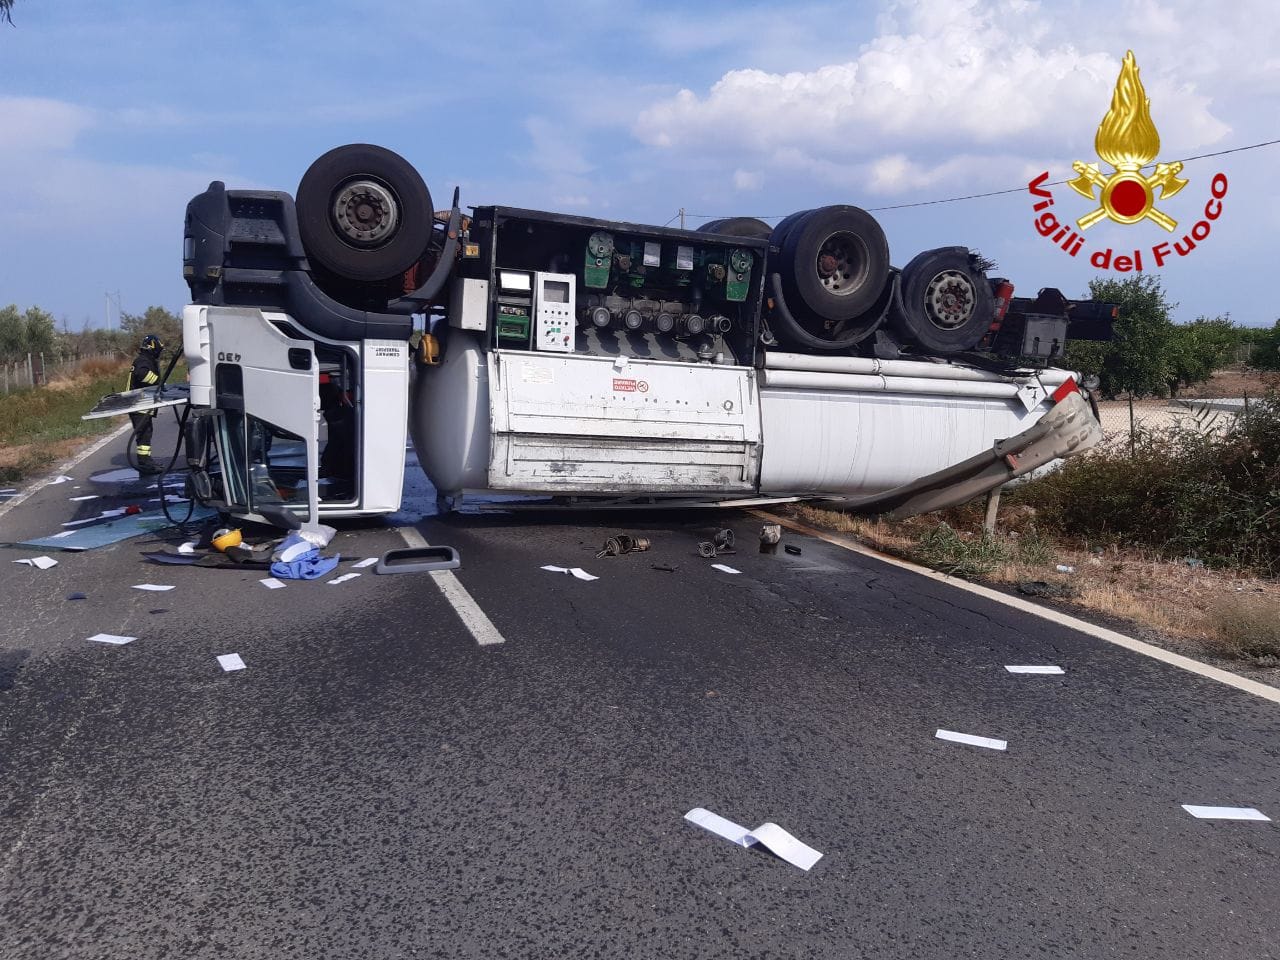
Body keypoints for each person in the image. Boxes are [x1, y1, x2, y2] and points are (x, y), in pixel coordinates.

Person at [128, 334, 164, 474]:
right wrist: (156, 381)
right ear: (153, 348)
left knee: (145, 433)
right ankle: (144, 463)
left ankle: (146, 461)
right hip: (139, 404)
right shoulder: (144, 361)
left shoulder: (144, 359)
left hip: (140, 404)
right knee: (144, 434)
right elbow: (142, 375)